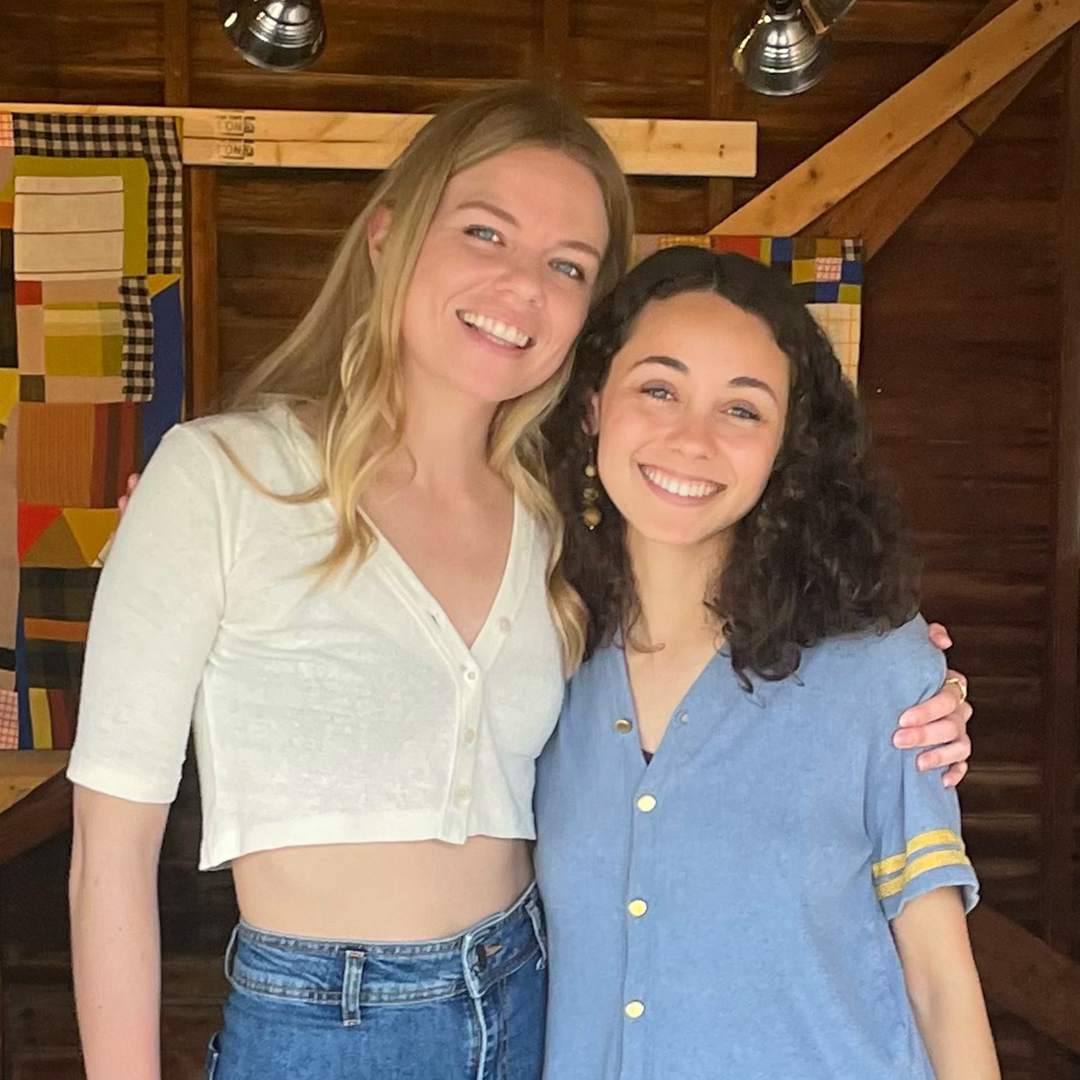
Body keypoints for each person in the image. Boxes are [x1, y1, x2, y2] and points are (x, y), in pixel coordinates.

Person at [67, 87, 973, 1080]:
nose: (520, 285)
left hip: (532, 1005)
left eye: (567, 264)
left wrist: (909, 687)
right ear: (387, 238)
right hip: (325, 1025)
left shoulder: (559, 532)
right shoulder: (221, 480)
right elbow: (106, 857)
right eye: (485, 230)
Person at [535, 245, 998, 1080]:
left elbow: (939, 981)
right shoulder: (539, 657)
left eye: (742, 410)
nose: (692, 439)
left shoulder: (879, 671)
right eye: (659, 389)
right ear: (593, 406)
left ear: (789, 444)